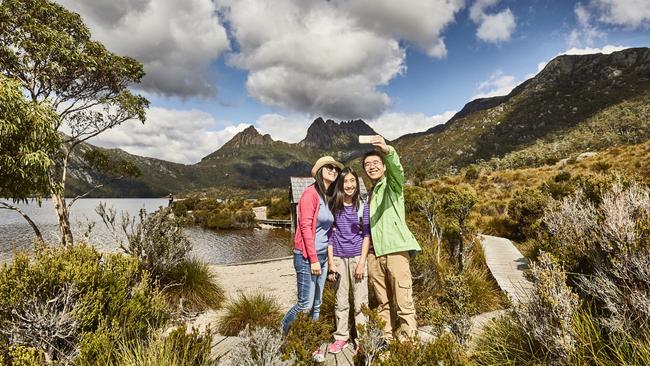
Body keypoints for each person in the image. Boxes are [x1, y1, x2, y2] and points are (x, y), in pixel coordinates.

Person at [282, 155, 342, 360]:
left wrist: (327, 261)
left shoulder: (328, 196)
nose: (334, 170)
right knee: (304, 305)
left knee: (316, 304)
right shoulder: (310, 194)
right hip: (307, 257)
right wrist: (314, 259)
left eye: (336, 168)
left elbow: (329, 232)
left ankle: (312, 344)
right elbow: (305, 228)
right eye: (329, 167)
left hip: (323, 257)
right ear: (319, 171)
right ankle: (283, 331)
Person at [362, 135, 421, 341]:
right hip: (374, 254)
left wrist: (388, 152)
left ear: (384, 167)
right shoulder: (368, 195)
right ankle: (386, 337)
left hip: (395, 250)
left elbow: (397, 170)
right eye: (367, 164)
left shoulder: (393, 186)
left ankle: (407, 340)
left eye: (375, 163)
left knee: (403, 298)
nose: (371, 167)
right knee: (382, 300)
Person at [326, 167, 370, 354]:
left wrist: (361, 262)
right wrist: (331, 264)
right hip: (338, 258)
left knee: (360, 301)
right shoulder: (333, 205)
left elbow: (367, 235)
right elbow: (329, 237)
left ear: (357, 183)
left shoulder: (362, 205)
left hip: (357, 258)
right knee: (340, 301)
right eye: (346, 182)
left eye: (353, 181)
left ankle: (362, 339)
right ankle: (341, 337)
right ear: (340, 184)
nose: (350, 185)